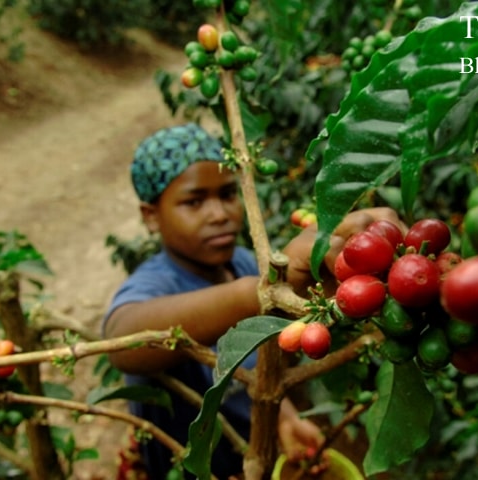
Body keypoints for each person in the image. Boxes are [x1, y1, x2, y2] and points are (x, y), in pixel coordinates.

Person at [102, 122, 402, 480]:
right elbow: (122, 340)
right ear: (151, 216)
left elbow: (265, 363)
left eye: (228, 194)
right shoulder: (154, 283)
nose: (219, 214)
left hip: (251, 452)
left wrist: (286, 418)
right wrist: (263, 290)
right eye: (194, 201)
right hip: (189, 465)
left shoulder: (243, 263)